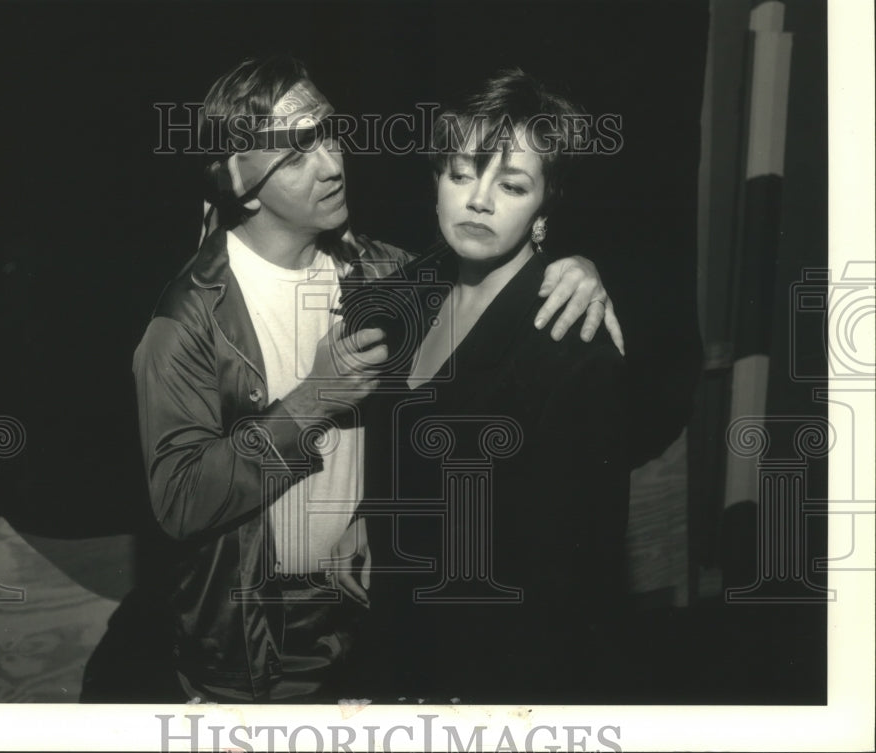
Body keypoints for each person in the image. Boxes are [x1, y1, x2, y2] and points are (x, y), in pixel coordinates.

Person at [80, 56, 622, 704]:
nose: (334, 164)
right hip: (253, 643)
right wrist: (314, 399)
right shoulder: (189, 320)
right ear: (236, 178)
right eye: (297, 151)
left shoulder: (381, 275)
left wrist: (578, 265)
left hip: (380, 631)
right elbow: (180, 500)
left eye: (330, 134)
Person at [334, 68, 632, 703]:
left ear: (545, 207)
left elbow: (572, 583)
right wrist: (370, 521)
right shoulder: (400, 300)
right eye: (462, 172)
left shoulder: (574, 351)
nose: (479, 200)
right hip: (395, 642)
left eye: (512, 184)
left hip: (493, 676)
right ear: (436, 180)